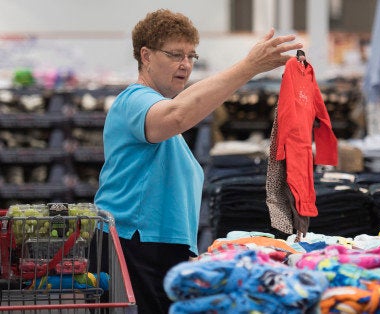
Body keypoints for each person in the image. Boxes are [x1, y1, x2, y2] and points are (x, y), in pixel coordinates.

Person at [89, 9, 302, 313]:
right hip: (132, 243)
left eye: (191, 56)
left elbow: (187, 101)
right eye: (176, 54)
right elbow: (177, 115)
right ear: (145, 56)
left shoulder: (161, 109)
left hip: (156, 247)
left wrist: (184, 249)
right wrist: (248, 67)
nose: (185, 64)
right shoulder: (133, 101)